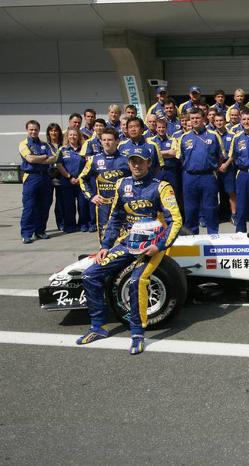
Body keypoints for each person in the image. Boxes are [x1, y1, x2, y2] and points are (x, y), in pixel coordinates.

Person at [76, 152, 183, 355]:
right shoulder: (121, 185)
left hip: (151, 246)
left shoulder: (161, 187)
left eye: (140, 162)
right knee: (91, 274)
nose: (136, 165)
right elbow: (115, 217)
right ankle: (98, 326)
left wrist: (159, 246)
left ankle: (137, 333)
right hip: (126, 242)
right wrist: (106, 245)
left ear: (149, 163)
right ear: (128, 163)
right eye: (133, 161)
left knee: (137, 280)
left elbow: (176, 220)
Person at [79, 128, 130, 243]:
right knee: (105, 239)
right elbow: (82, 178)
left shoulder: (126, 160)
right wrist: (91, 196)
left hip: (122, 206)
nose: (107, 142)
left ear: (117, 141)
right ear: (100, 141)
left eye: (110, 140)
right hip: (103, 206)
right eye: (104, 140)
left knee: (124, 238)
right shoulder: (94, 160)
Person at [178, 108, 224, 234]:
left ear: (204, 119)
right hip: (190, 177)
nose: (195, 120)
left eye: (197, 118)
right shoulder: (184, 137)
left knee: (210, 208)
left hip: (208, 176)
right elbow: (181, 158)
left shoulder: (214, 136)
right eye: (192, 118)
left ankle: (213, 236)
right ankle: (192, 237)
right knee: (190, 209)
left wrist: (211, 168)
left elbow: (220, 157)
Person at [19, 120, 57, 243]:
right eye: (31, 129)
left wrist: (38, 159)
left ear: (39, 130)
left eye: (35, 129)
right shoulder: (23, 144)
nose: (33, 132)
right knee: (29, 206)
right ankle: (26, 233)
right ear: (27, 130)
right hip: (31, 178)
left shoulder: (45, 145)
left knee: (44, 205)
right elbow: (29, 158)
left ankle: (40, 231)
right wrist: (43, 157)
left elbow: (53, 158)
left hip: (45, 177)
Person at [56, 128, 91, 233]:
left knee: (82, 205)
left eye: (75, 135)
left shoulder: (84, 149)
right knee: (69, 205)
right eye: (70, 135)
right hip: (67, 182)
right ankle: (70, 225)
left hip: (81, 182)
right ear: (67, 137)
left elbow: (87, 164)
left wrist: (80, 178)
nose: (72, 137)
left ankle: (83, 224)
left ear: (78, 136)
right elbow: (59, 165)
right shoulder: (62, 150)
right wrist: (69, 177)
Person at [213, 112, 237, 224]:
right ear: (214, 122)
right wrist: (218, 166)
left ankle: (234, 215)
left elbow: (234, 153)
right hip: (215, 167)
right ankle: (215, 215)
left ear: (225, 121)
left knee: (231, 192)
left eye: (221, 120)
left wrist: (226, 164)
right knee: (213, 192)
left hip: (229, 166)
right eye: (216, 121)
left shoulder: (232, 135)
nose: (219, 123)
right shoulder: (211, 135)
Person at [46, 123, 64, 232]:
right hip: (48, 174)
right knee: (47, 201)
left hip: (60, 174)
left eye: (56, 131)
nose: (54, 133)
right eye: (51, 131)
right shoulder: (45, 145)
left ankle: (61, 223)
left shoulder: (63, 144)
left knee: (60, 201)